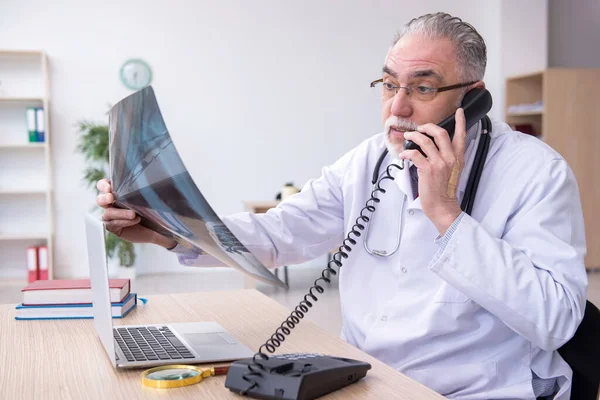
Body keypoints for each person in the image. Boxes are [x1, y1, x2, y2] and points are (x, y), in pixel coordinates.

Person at [96, 12, 587, 400]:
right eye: (390, 84)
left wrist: (446, 215)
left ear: (473, 99)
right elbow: (279, 234)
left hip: (481, 389)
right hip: (373, 381)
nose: (397, 108)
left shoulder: (535, 172)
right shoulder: (370, 162)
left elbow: (556, 320)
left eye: (423, 87)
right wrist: (165, 227)